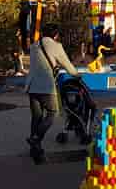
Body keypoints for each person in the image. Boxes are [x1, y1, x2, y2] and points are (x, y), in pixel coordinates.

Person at [25, 24, 79, 164]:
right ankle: (35, 138)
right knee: (52, 113)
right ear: (55, 35)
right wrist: (77, 75)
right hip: (46, 87)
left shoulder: (34, 46)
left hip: (32, 87)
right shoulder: (55, 45)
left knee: (36, 117)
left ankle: (34, 148)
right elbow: (67, 64)